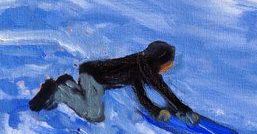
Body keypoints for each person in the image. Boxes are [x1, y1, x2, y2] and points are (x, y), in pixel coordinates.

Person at [28, 41, 198, 124]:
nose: (168, 68)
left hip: (92, 73)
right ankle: (58, 91)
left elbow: (153, 91)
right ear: (158, 62)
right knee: (94, 113)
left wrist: (179, 108)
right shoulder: (142, 69)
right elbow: (151, 93)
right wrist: (163, 110)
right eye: (168, 64)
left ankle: (67, 83)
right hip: (93, 77)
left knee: (89, 100)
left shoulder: (141, 64)